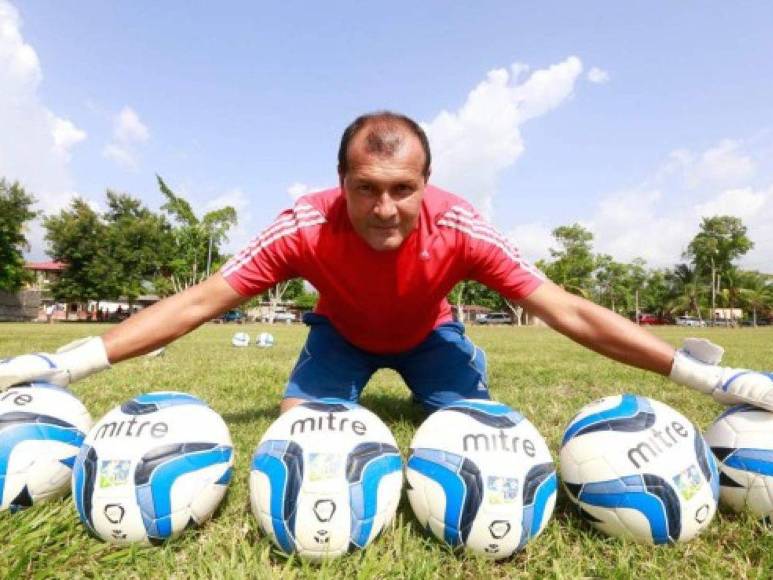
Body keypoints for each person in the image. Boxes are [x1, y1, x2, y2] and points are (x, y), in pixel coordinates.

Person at [1, 111, 771, 413]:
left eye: (402, 190)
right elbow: (200, 301)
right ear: (340, 182)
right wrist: (66, 362)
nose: (384, 209)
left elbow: (565, 308)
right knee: (297, 428)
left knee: (475, 426)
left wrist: (706, 376)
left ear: (425, 185)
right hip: (338, 336)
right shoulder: (303, 224)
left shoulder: (462, 224)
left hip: (428, 335)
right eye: (365, 189)